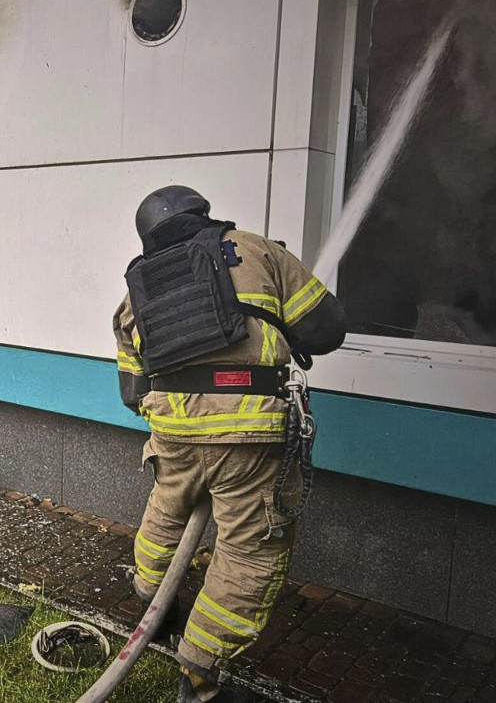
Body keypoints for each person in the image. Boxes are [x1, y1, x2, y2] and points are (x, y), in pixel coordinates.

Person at [113, 186, 346, 703]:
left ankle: (155, 603)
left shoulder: (137, 289)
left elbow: (132, 393)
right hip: (249, 434)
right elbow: (328, 329)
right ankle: (198, 676)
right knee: (248, 550)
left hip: (172, 431)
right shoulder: (258, 250)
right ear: (204, 214)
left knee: (166, 513)